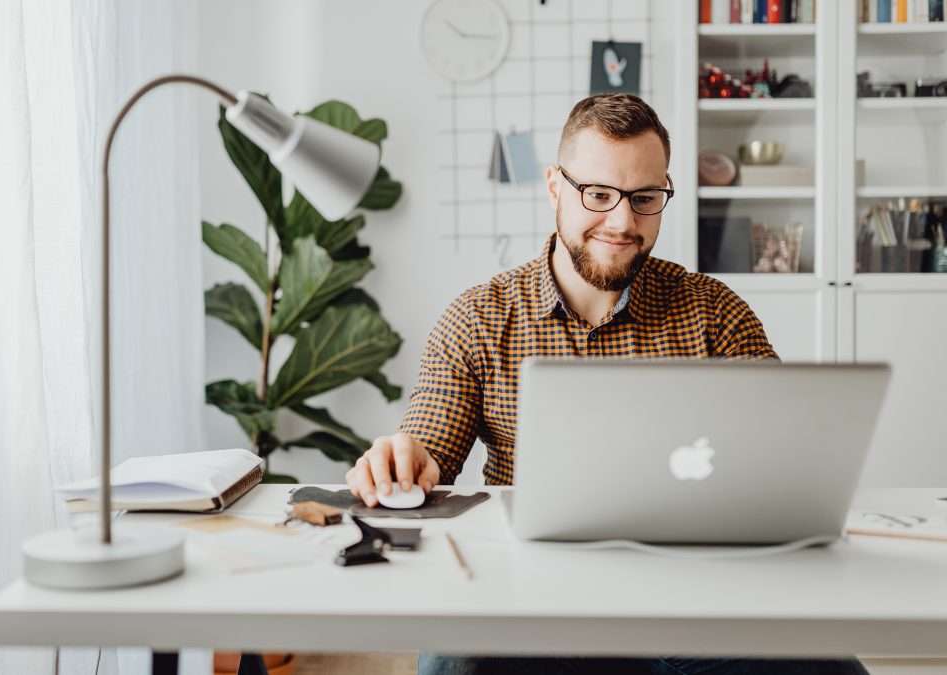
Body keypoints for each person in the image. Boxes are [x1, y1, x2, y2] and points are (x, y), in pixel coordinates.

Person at [345, 94, 868, 675]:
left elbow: (787, 455)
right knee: (454, 664)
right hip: (533, 597)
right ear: (555, 188)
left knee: (829, 667)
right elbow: (428, 445)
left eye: (645, 198)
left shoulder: (715, 312)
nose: (622, 222)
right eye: (598, 195)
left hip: (700, 595)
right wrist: (402, 457)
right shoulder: (480, 316)